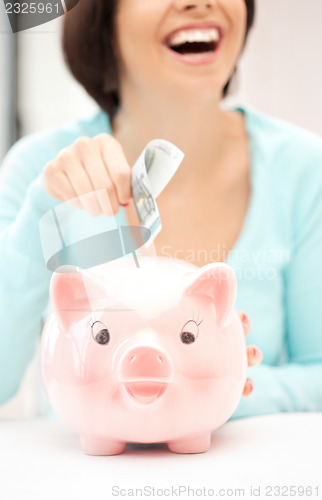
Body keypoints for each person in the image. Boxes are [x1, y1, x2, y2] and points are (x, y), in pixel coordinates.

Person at [0, 0, 321, 419]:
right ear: (103, 20)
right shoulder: (37, 172)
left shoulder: (304, 170)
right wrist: (39, 227)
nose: (199, 2)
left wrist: (223, 387)